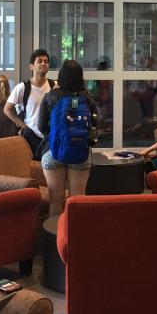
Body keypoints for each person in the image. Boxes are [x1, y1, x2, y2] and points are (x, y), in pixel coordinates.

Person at [38, 60, 99, 216]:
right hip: (80, 152)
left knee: (55, 202)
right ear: (80, 76)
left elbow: (41, 126)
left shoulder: (50, 96)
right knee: (77, 203)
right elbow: (95, 124)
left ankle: (54, 239)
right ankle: (75, 238)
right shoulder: (87, 97)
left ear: (61, 76)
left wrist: (54, 137)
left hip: (53, 151)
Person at [4, 49, 55, 160]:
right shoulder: (22, 87)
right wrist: (23, 126)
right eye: (40, 61)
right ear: (32, 66)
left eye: (46, 61)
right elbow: (7, 109)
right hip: (31, 136)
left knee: (50, 168)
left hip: (50, 136)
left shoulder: (54, 86)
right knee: (32, 168)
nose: (43, 64)